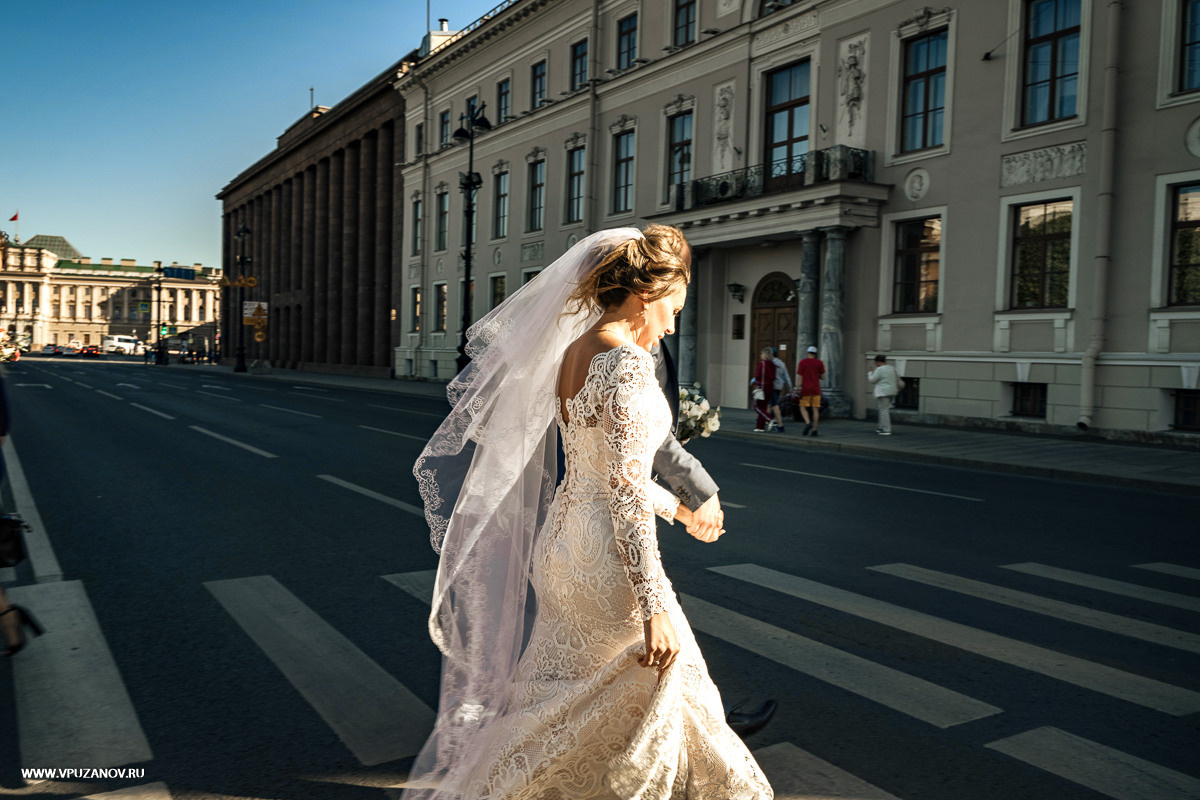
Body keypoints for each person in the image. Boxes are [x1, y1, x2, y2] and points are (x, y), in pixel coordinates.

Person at [408, 226, 772, 799]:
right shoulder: (625, 365)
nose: (673, 324)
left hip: (564, 548)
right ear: (646, 296)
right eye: (673, 308)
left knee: (569, 706)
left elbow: (595, 474)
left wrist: (678, 509)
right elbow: (623, 495)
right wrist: (654, 605)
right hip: (607, 563)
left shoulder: (576, 352)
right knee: (666, 700)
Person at [868, 354, 900, 436]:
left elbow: (872, 380)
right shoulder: (891, 368)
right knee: (883, 409)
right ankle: (881, 427)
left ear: (878, 362)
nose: (875, 364)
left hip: (883, 392)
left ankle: (886, 429)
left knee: (884, 410)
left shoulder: (879, 369)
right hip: (892, 391)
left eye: (875, 362)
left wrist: (870, 373)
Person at [797, 345, 825, 436]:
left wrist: (798, 387)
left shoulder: (802, 362)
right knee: (815, 409)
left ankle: (808, 422)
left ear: (808, 353)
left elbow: (800, 377)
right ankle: (814, 430)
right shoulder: (819, 363)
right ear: (815, 354)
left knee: (803, 407)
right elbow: (822, 377)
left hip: (805, 389)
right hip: (816, 389)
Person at [751, 348, 775, 432]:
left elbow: (757, 375)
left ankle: (770, 419)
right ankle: (760, 427)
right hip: (770, 387)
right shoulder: (772, 364)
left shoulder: (762, 363)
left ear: (765, 355)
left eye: (762, 354)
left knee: (757, 406)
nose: (761, 355)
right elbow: (773, 377)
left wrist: (755, 383)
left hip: (762, 387)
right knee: (763, 407)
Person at [768, 347, 792, 432]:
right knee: (771, 404)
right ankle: (766, 420)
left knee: (774, 405)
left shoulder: (770, 363)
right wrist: (790, 387)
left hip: (771, 386)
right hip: (779, 386)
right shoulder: (782, 364)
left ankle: (780, 425)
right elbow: (787, 376)